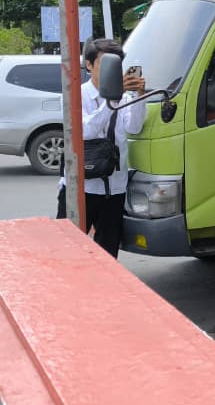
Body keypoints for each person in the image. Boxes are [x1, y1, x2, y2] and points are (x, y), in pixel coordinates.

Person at [55, 38, 148, 258]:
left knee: (108, 255)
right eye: (105, 63)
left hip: (114, 189)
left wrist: (140, 96)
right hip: (80, 187)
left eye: (116, 65)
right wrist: (112, 100)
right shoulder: (75, 95)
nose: (112, 70)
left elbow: (134, 127)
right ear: (88, 65)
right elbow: (85, 131)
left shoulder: (124, 96)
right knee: (67, 252)